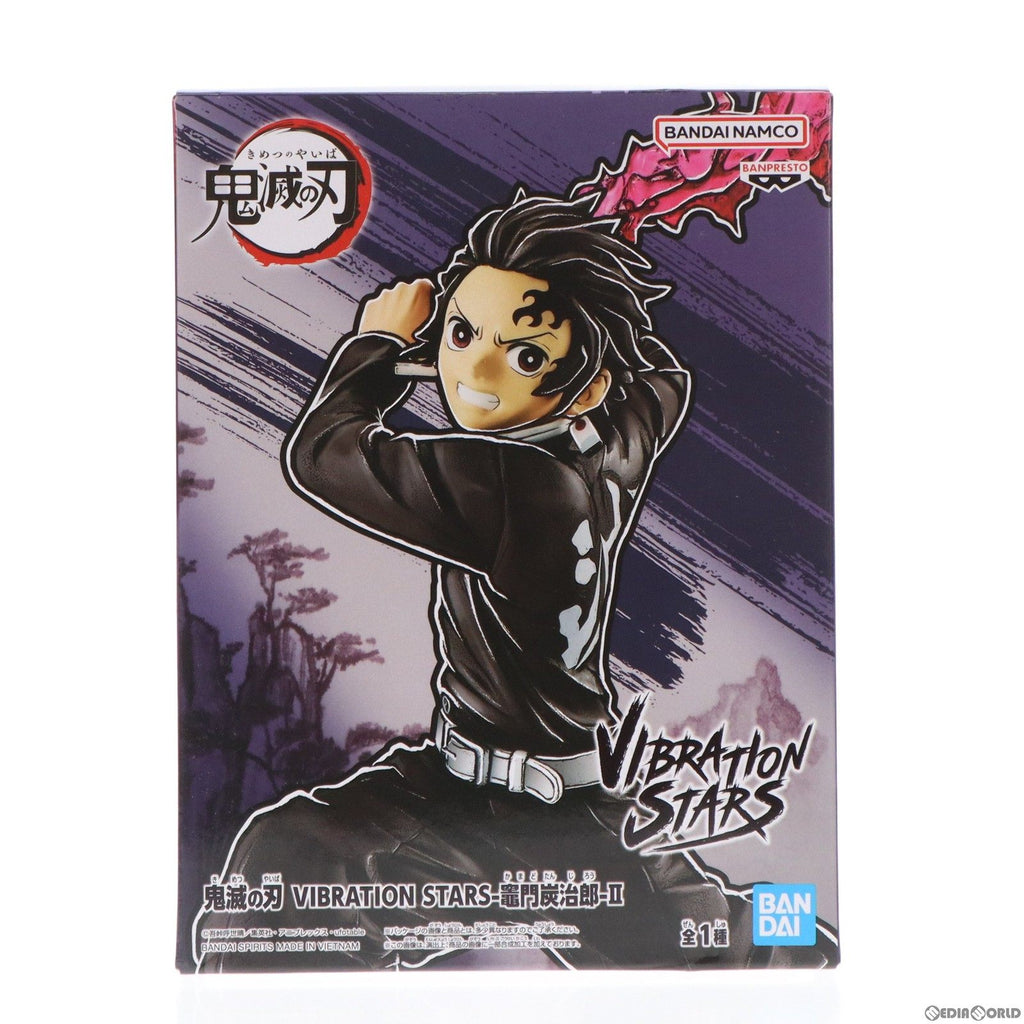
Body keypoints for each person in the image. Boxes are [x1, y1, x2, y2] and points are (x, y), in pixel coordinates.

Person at [194, 193, 835, 971]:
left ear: (585, 386)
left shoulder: (507, 479)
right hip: (463, 788)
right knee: (288, 862)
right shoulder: (614, 441)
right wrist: (595, 280)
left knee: (727, 952)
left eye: (526, 358)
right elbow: (663, 381)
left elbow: (322, 456)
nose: (477, 371)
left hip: (548, 816)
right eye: (463, 334)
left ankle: (824, 963)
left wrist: (377, 344)